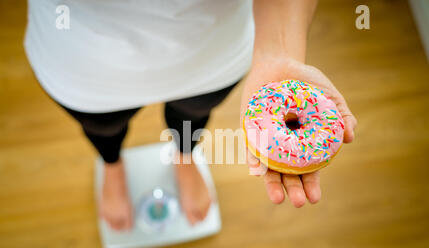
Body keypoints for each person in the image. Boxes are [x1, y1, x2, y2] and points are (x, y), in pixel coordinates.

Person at [25, 0, 357, 231]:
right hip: (82, 61)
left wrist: (279, 52)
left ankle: (185, 157)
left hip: (212, 53)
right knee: (103, 127)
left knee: (192, 115)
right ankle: (112, 166)